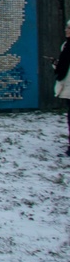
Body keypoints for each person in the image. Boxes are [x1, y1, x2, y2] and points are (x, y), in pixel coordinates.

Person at [54, 18, 70, 157]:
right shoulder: (66, 46)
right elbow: (63, 67)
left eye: (68, 28)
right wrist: (56, 65)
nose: (66, 30)